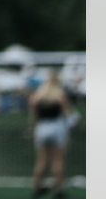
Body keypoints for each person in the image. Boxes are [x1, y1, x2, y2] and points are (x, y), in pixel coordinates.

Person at [28, 69, 76, 199]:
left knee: (41, 160)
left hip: (42, 127)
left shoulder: (37, 95)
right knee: (58, 159)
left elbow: (34, 115)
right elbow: (68, 114)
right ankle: (58, 190)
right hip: (57, 127)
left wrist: (32, 129)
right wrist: (72, 127)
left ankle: (37, 187)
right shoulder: (60, 94)